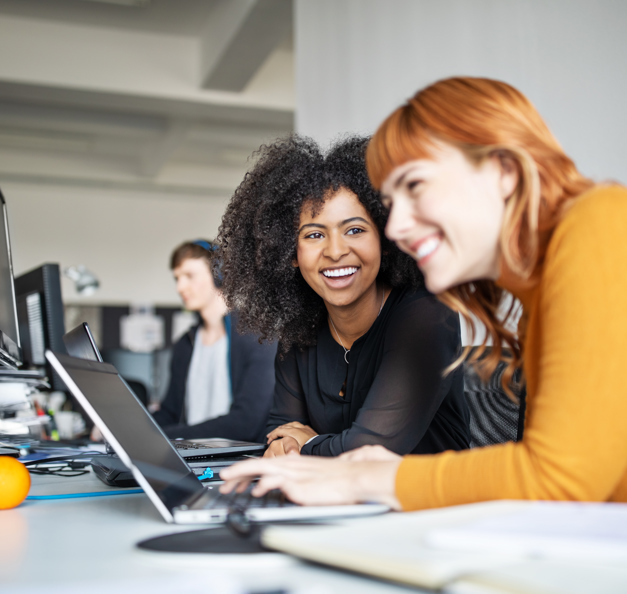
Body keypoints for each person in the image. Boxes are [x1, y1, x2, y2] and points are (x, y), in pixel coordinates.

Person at [219, 76, 627, 510]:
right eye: (393, 205)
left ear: (504, 171)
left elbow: (561, 476)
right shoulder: (543, 287)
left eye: (415, 187)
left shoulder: (599, 227)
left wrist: (370, 477)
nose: (395, 228)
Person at [216, 135, 470, 459]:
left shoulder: (427, 317)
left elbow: (370, 451)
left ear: (386, 238)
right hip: (335, 504)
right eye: (315, 235)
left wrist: (307, 444)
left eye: (354, 230)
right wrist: (295, 446)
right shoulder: (299, 332)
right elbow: (280, 436)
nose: (335, 251)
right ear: (290, 253)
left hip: (428, 506)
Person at [152, 240, 277, 442]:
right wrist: (127, 432)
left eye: (189, 276)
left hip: (237, 462)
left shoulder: (258, 338)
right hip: (189, 459)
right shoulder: (185, 344)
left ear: (219, 275)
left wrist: (163, 437)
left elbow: (247, 423)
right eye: (177, 278)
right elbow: (169, 413)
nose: (180, 287)